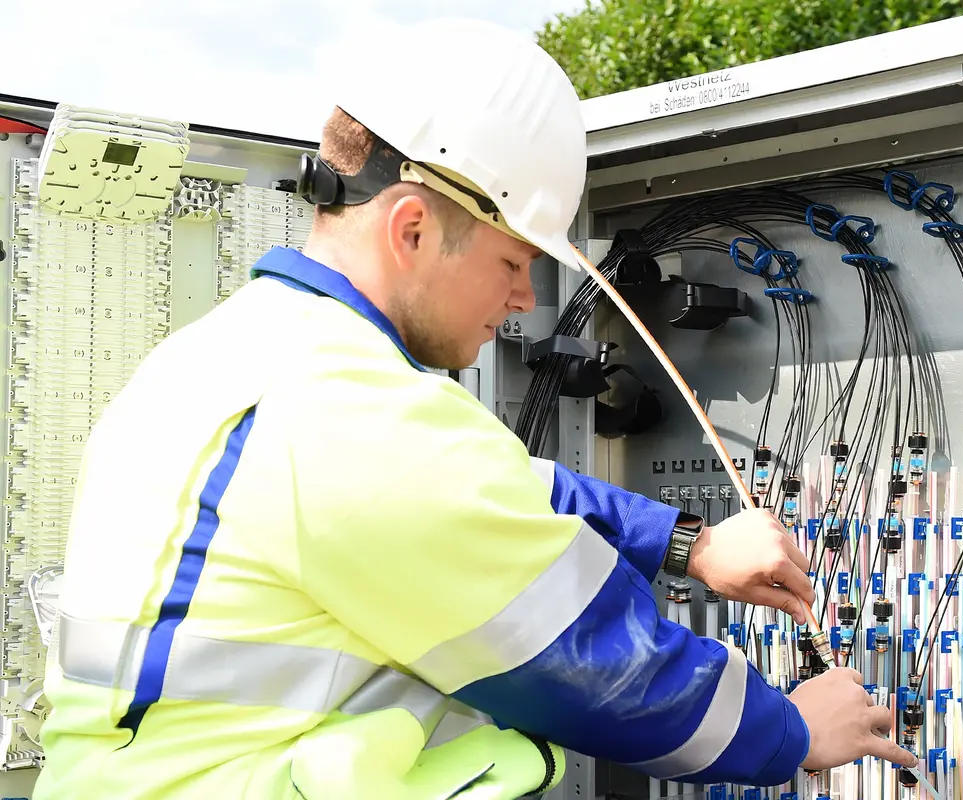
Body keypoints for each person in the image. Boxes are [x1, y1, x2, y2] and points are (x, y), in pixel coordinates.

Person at [35, 18, 917, 800]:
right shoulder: (350, 414)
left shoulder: (235, 358)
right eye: (510, 262)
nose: (526, 300)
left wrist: (688, 542)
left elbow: (492, 489)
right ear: (412, 229)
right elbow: (598, 667)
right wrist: (795, 731)